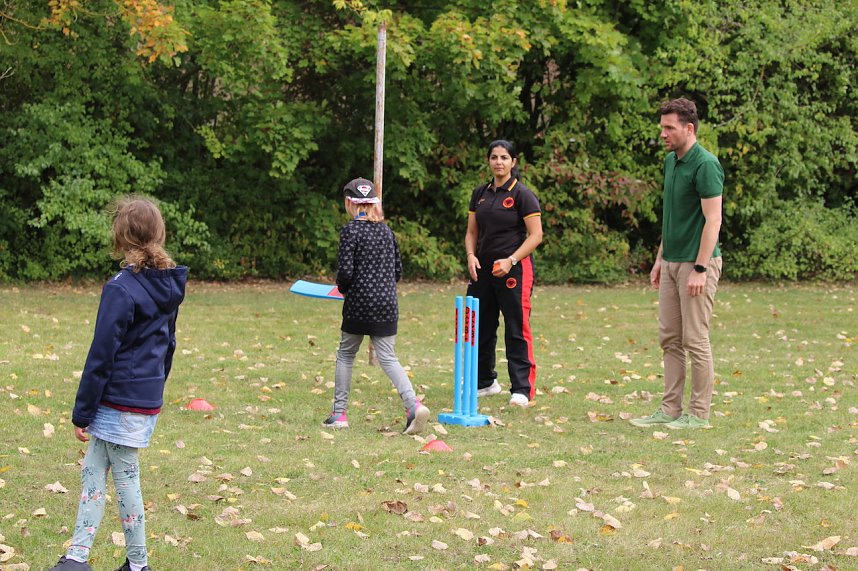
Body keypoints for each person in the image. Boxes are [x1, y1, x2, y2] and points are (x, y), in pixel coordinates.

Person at [49, 197, 187, 571]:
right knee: (93, 470)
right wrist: (154, 388)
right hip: (142, 399)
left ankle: (138, 564)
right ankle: (77, 556)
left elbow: (101, 354)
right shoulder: (168, 285)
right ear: (158, 234)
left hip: (119, 402)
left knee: (126, 478)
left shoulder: (121, 289)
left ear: (121, 237)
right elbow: (168, 347)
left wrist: (82, 412)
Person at [630, 97, 723, 430]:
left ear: (689, 128)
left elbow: (713, 220)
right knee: (669, 338)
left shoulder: (706, 164)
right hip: (670, 262)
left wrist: (700, 268)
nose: (663, 134)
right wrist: (659, 259)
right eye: (662, 127)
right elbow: (673, 218)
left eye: (669, 128)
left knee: (695, 339)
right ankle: (670, 409)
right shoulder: (671, 162)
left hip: (697, 264)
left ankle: (698, 414)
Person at [322, 177, 430, 434]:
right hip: (387, 304)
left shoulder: (350, 231)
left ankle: (339, 414)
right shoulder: (387, 231)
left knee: (346, 353)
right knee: (388, 357)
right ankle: (413, 404)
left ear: (349, 202)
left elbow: (345, 273)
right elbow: (398, 271)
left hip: (359, 304)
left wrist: (344, 289)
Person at [465, 140, 543, 407]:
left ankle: (522, 389)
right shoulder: (480, 193)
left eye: (504, 158)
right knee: (479, 327)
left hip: (515, 270)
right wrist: (471, 256)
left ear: (513, 162)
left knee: (516, 328)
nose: (499, 162)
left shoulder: (523, 194)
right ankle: (485, 382)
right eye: (494, 157)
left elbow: (536, 236)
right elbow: (472, 232)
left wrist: (511, 260)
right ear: (488, 161)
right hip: (482, 270)